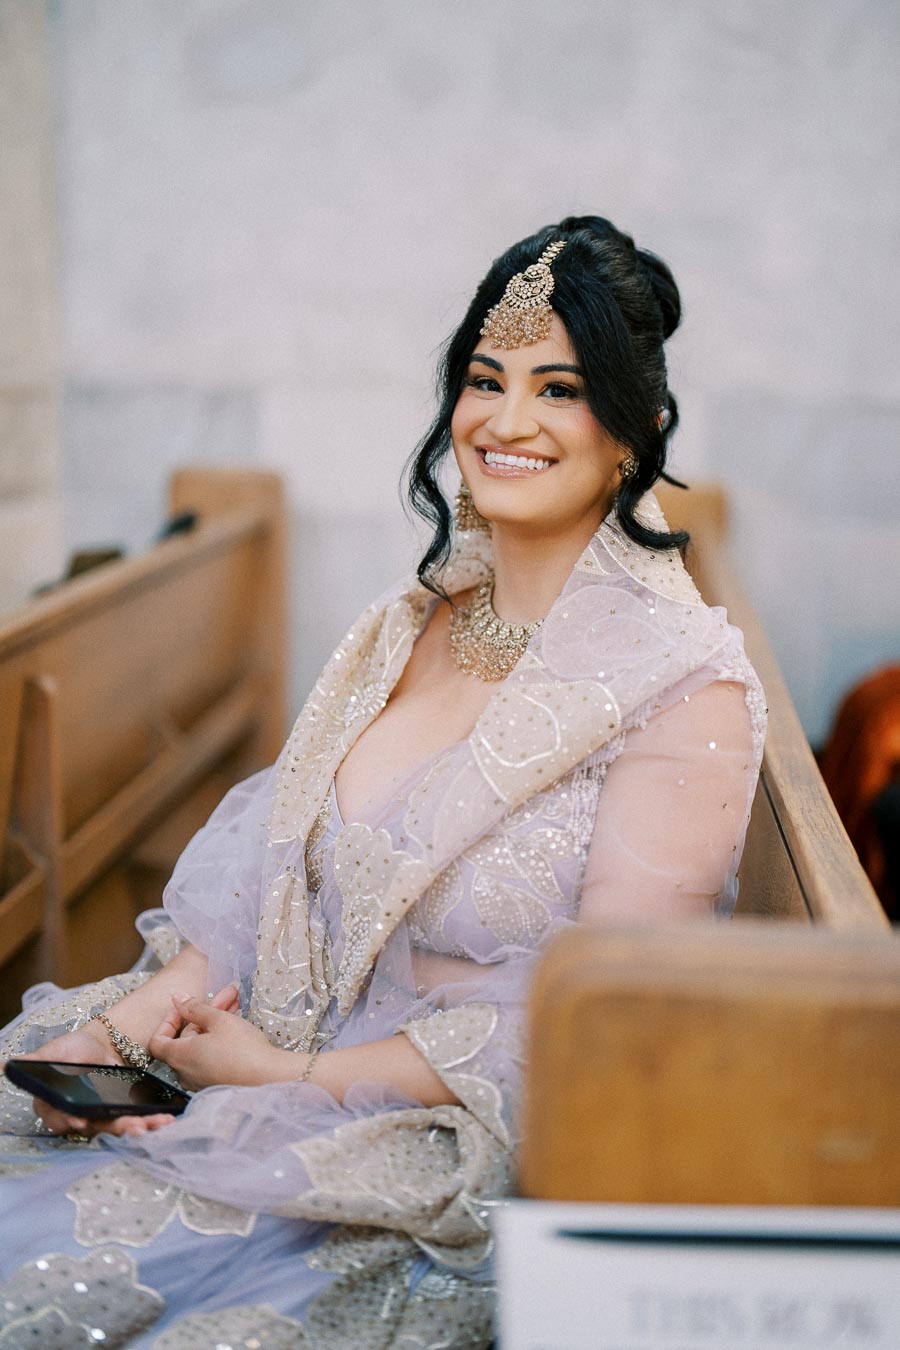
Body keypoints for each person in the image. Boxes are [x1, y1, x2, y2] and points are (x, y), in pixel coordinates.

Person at [0, 216, 765, 1347]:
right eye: (483, 379)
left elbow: (606, 1024)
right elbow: (268, 893)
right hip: (243, 1075)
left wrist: (286, 1075)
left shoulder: (684, 688)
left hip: (426, 1164)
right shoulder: (404, 626)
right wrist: (126, 1031)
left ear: (633, 432)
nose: (505, 423)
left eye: (558, 389)